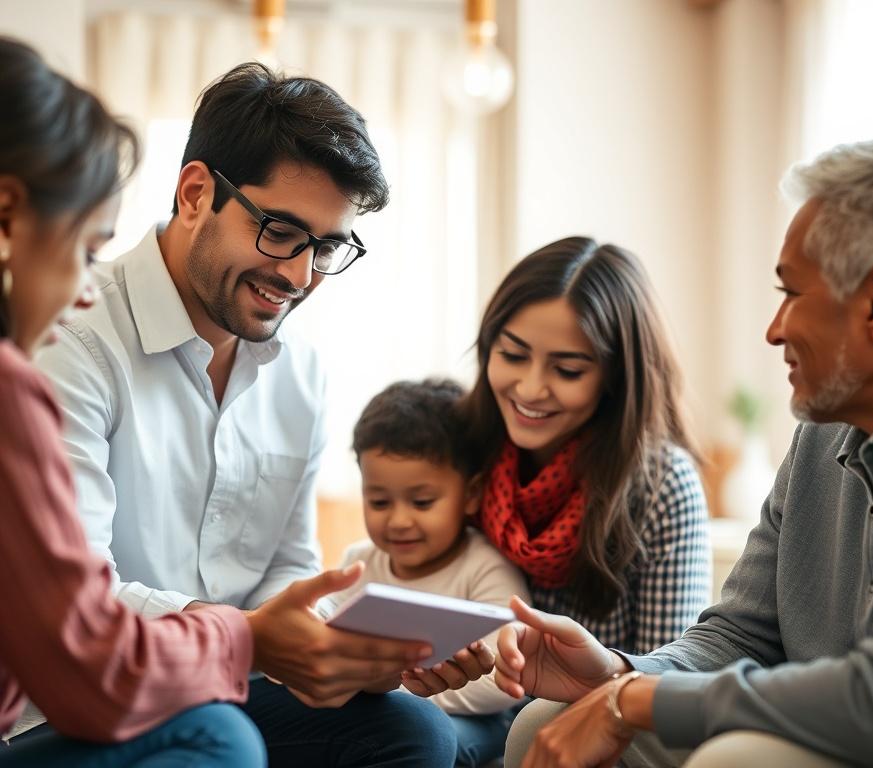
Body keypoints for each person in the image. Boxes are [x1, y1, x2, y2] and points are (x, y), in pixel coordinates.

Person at [497, 133, 873, 768]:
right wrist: (616, 673)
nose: (775, 330)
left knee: (740, 760)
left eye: (790, 293)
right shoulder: (824, 431)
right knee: (545, 723)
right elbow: (740, 635)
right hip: (837, 735)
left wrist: (631, 701)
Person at [0, 36, 436, 768]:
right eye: (280, 232)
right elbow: (81, 615)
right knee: (220, 735)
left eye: (326, 248)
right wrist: (248, 637)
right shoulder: (64, 342)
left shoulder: (300, 372)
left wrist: (331, 643)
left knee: (415, 730)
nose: (299, 275)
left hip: (211, 668)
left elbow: (290, 564)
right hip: (68, 706)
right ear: (196, 192)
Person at [460, 237, 711, 657]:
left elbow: (665, 679)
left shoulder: (662, 485)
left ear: (615, 377)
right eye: (512, 355)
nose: (531, 388)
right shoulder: (461, 446)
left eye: (568, 370)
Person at [317, 378, 530, 766]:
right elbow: (322, 619)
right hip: (383, 713)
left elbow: (505, 680)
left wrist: (398, 693)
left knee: (436, 741)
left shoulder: (485, 568)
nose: (399, 521)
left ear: (470, 494)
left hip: (478, 722)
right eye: (379, 501)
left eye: (422, 501)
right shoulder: (359, 562)